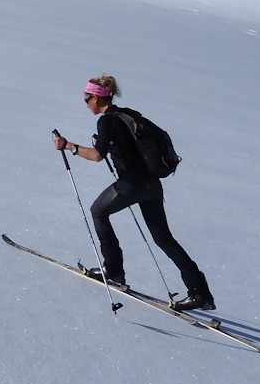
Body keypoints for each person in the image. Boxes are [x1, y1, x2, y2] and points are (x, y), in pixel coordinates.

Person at [53, 74, 215, 311]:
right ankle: (200, 293)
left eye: (87, 99)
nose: (86, 104)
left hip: (132, 185)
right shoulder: (127, 114)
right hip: (152, 186)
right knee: (164, 239)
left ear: (97, 98)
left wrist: (68, 146)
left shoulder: (107, 121)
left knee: (98, 211)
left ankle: (114, 270)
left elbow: (97, 156)